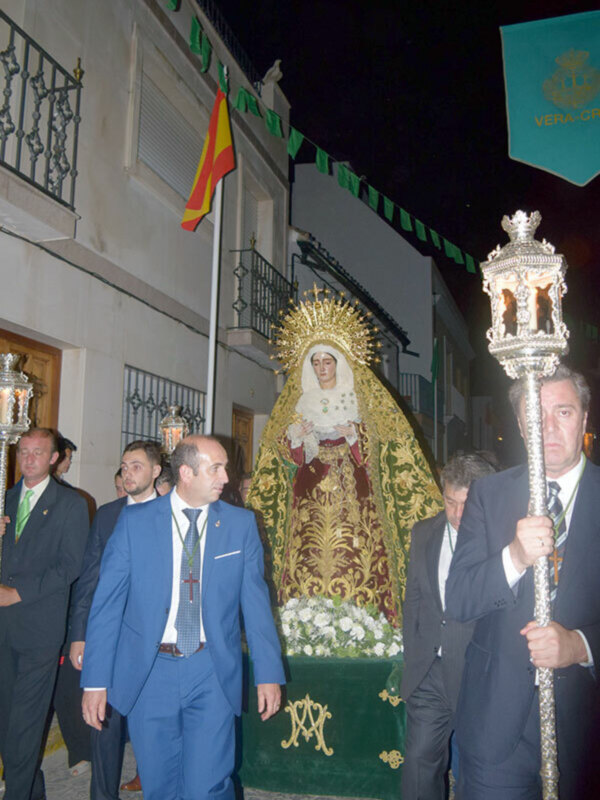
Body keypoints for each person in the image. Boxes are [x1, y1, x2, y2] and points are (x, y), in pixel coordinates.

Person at [81, 435, 285, 800]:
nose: (227, 477)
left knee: (208, 786)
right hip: (150, 672)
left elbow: (255, 603)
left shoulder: (240, 525)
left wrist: (268, 673)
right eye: (217, 469)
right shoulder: (134, 523)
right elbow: (106, 606)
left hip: (211, 669)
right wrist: (95, 681)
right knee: (159, 786)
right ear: (187, 473)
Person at [446, 365, 600, 799]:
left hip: (585, 731)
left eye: (564, 412)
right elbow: (458, 600)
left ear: (584, 419)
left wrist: (579, 646)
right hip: (497, 730)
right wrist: (513, 557)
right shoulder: (488, 495)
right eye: (536, 415)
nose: (548, 427)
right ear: (518, 423)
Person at [247, 288, 441, 626]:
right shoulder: (299, 400)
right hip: (309, 492)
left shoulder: (360, 398)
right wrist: (298, 438)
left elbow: (382, 449)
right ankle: (302, 621)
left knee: (355, 551)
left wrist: (355, 433)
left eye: (327, 361)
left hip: (355, 494)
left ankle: (366, 624)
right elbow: (283, 457)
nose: (322, 368)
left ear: (339, 362)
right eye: (316, 362)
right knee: (307, 551)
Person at [401, 452, 497, 800]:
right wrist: (415, 653)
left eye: (465, 504)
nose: (457, 514)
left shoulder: (503, 540)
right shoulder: (424, 532)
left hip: (480, 673)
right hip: (431, 670)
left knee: (480, 769)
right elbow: (413, 598)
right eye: (449, 502)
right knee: (418, 762)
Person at [70, 440, 162, 800]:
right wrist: (80, 635)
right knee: (103, 728)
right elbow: (88, 579)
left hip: (153, 643)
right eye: (125, 465)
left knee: (153, 733)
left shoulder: (172, 514)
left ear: (156, 471)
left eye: (137, 465)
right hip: (110, 643)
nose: (128, 472)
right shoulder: (108, 515)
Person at [0, 428, 89, 800]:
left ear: (54, 458)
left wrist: (17, 594)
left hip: (39, 628)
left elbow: (70, 567)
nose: (29, 458)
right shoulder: (5, 498)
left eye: (38, 452)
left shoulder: (70, 504)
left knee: (25, 723)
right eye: (23, 451)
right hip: (3, 628)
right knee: (7, 722)